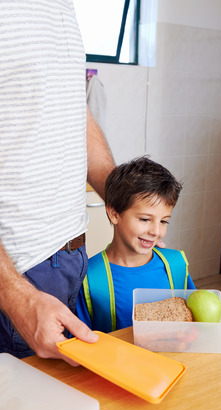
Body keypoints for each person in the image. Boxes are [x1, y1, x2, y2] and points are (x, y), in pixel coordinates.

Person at [0, 1, 115, 363]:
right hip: (17, 270)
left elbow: (69, 106)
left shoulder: (61, 7)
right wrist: (16, 295)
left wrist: (122, 197)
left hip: (68, 258)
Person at [76, 157, 195, 332]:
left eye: (164, 221)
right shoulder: (90, 278)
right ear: (114, 213)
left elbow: (194, 323)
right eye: (145, 219)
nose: (155, 231)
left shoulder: (176, 264)